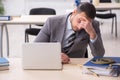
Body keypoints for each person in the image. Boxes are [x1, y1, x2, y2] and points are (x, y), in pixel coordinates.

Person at [34, 2, 105, 64]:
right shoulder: (52, 22)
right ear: (74, 12)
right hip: (53, 63)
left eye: (85, 23)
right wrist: (54, 55)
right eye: (80, 20)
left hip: (75, 66)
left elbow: (99, 56)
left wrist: (92, 33)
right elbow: (36, 48)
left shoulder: (92, 25)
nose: (80, 27)